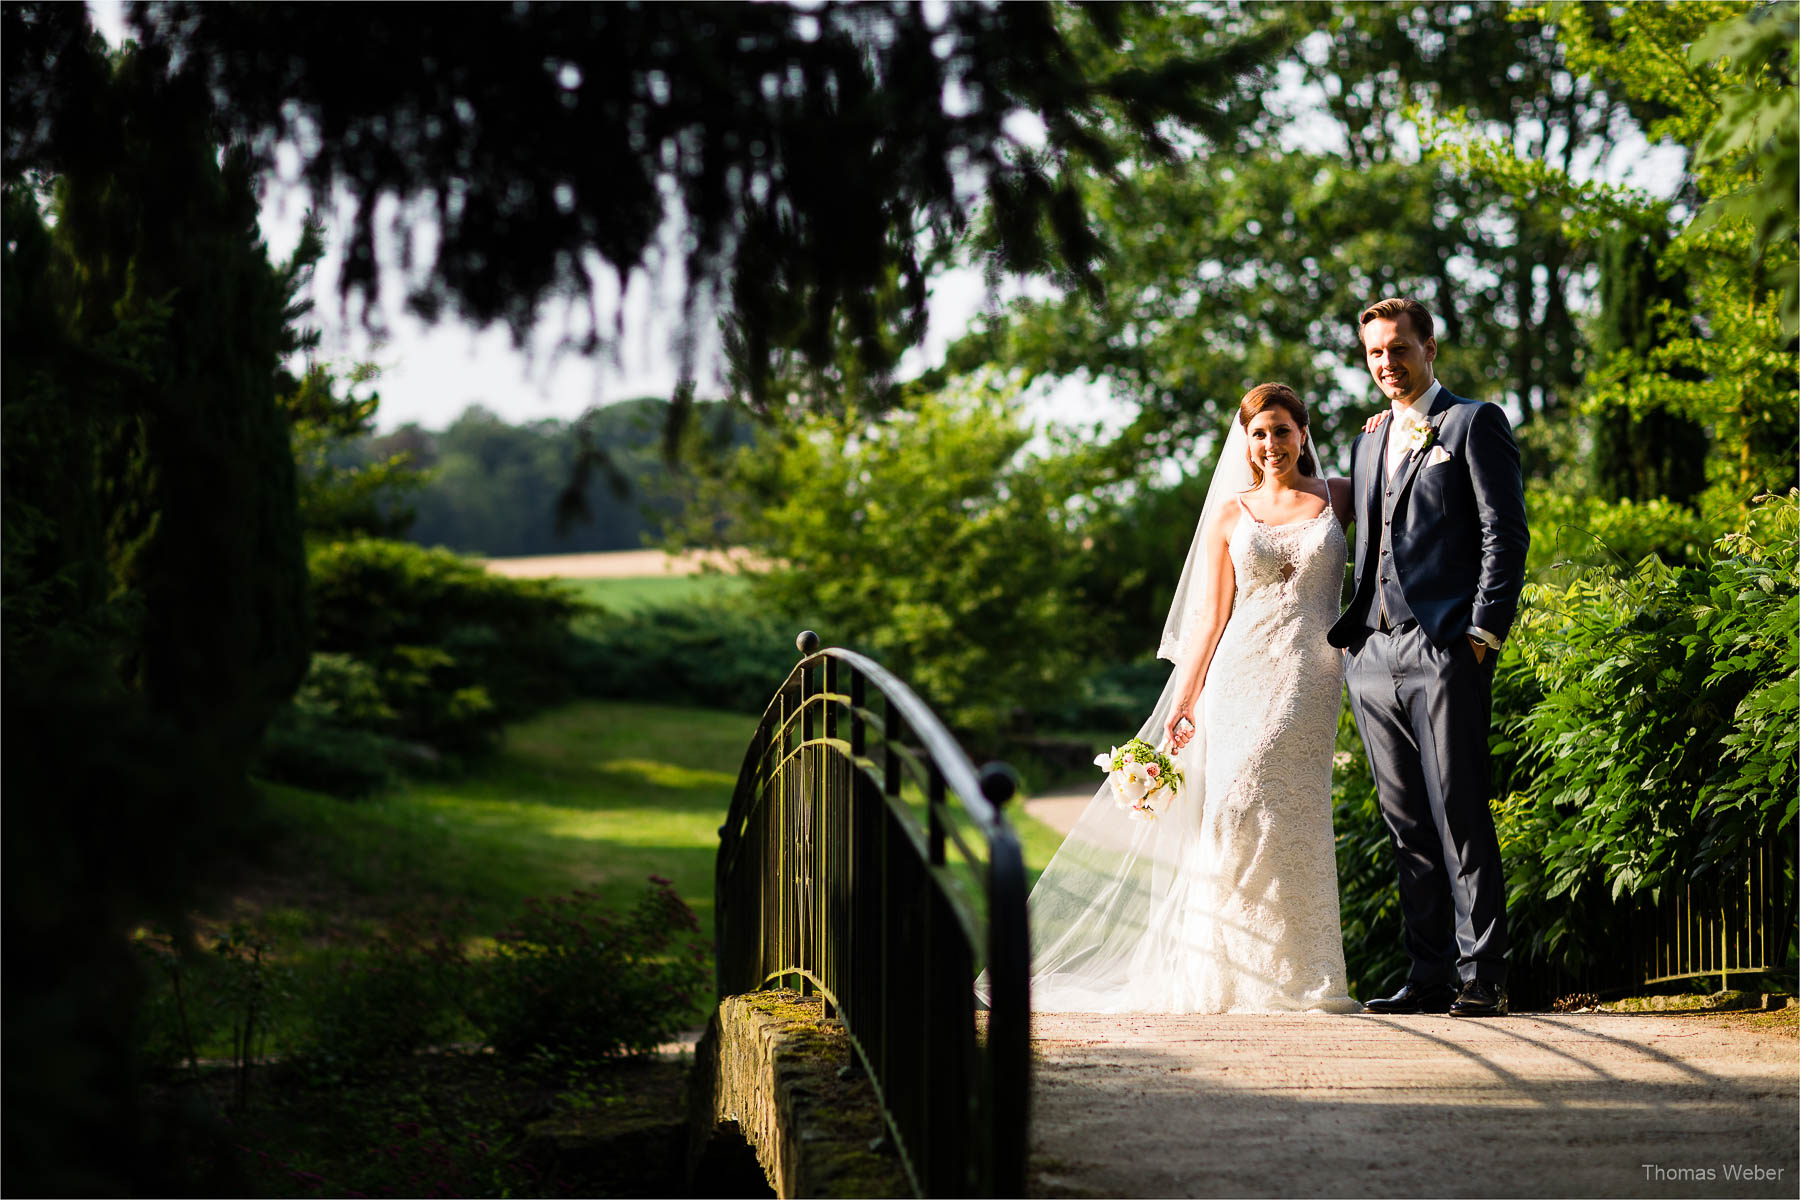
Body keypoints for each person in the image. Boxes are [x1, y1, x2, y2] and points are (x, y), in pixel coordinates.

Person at [1014, 382, 1363, 1014]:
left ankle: (1303, 973)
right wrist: (1186, 696)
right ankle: (1229, 975)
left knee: (1291, 811)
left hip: (1311, 673)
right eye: (1258, 433)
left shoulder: (1338, 495)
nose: (1270, 444)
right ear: (1246, 442)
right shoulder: (1231, 514)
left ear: (1303, 434)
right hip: (1238, 673)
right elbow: (1209, 618)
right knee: (1230, 810)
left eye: (1282, 430)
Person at [1327, 297, 1528, 1019]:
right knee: (1405, 820)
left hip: (1444, 648)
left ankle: (1486, 976)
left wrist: (1483, 634)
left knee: (1461, 814)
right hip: (1373, 651)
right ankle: (1430, 974)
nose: (1387, 362)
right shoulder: (1368, 438)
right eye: (1375, 352)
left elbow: (1505, 534)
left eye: (1399, 348)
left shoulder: (1475, 423)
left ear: (1430, 346)